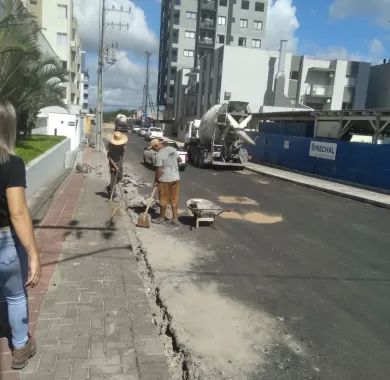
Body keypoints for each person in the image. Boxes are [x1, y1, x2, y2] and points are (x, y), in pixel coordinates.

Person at [0, 101, 41, 369]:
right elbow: (18, 213)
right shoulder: (11, 163)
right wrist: (33, 253)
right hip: (5, 243)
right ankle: (19, 347)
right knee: (15, 295)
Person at [149, 139, 181, 226]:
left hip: (165, 180)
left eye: (153, 148)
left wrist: (156, 180)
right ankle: (175, 219)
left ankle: (162, 218)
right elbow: (179, 160)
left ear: (156, 145)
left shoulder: (158, 155)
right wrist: (172, 163)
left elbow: (158, 170)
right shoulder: (172, 149)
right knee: (174, 199)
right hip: (176, 178)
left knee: (163, 199)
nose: (154, 150)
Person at [106, 131, 128, 198]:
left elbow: (123, 153)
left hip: (120, 162)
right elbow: (109, 156)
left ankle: (109, 187)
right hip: (113, 163)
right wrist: (114, 166)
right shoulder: (110, 145)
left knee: (120, 177)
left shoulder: (122, 145)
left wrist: (124, 148)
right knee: (113, 178)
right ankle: (112, 194)